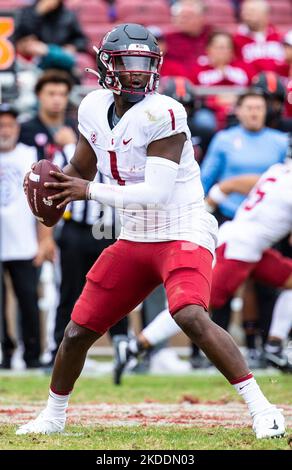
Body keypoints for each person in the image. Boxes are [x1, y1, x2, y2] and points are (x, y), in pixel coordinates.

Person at [18, 24, 284, 439]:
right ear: (107, 66)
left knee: (190, 313)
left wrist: (84, 191)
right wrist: (55, 192)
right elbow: (83, 167)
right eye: (128, 64)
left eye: (146, 64)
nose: (138, 73)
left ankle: (261, 406)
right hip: (137, 236)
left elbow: (157, 194)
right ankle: (53, 416)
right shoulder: (91, 106)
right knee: (76, 332)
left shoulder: (166, 112)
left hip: (183, 228)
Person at [0, 103, 54, 369]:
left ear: (17, 128)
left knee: (28, 301)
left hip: (24, 242)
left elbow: (44, 199)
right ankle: (4, 355)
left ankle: (32, 355)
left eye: (9, 125)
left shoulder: (30, 155)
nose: (4, 130)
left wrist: (44, 239)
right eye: (1, 125)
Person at [14, 0, 87, 76]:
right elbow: (21, 34)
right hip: (36, 58)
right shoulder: (26, 12)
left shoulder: (69, 15)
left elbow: (81, 40)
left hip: (60, 56)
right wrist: (37, 13)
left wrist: (73, 46)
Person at [233, 0, 285, 74]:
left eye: (251, 11)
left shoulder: (279, 37)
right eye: (244, 11)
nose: (245, 15)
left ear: (265, 14)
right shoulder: (237, 40)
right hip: (251, 84)